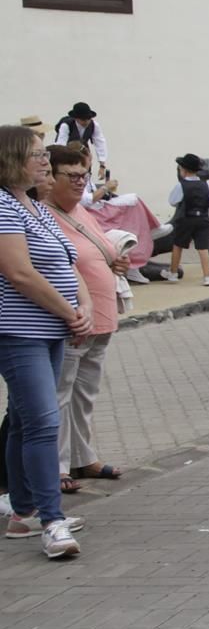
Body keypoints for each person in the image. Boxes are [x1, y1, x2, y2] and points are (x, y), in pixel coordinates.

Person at [0, 125, 87, 557]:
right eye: (37, 154)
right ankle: (52, 521)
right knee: (42, 423)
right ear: (12, 158)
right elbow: (19, 273)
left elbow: (68, 263)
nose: (44, 161)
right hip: (21, 332)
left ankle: (24, 511)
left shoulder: (34, 206)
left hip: (50, 330)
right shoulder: (3, 206)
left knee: (23, 421)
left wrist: (84, 303)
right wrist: (69, 311)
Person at [45, 144, 128, 492]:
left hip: (101, 316)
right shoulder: (43, 214)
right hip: (72, 318)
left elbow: (98, 250)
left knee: (85, 393)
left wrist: (116, 260)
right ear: (50, 177)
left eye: (84, 175)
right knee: (61, 393)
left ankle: (83, 457)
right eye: (72, 175)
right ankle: (58, 465)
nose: (81, 182)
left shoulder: (80, 211)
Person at [167, 154, 209, 285]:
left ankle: (173, 273)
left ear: (184, 170)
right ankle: (207, 276)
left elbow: (172, 201)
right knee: (203, 248)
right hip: (203, 219)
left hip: (186, 219)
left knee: (178, 245)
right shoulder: (205, 185)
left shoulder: (181, 185)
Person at [53, 102, 106, 171]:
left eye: (89, 118)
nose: (87, 121)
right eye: (83, 119)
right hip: (68, 155)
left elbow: (100, 143)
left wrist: (102, 165)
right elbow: (61, 145)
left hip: (84, 154)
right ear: (76, 118)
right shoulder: (66, 125)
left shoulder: (94, 125)